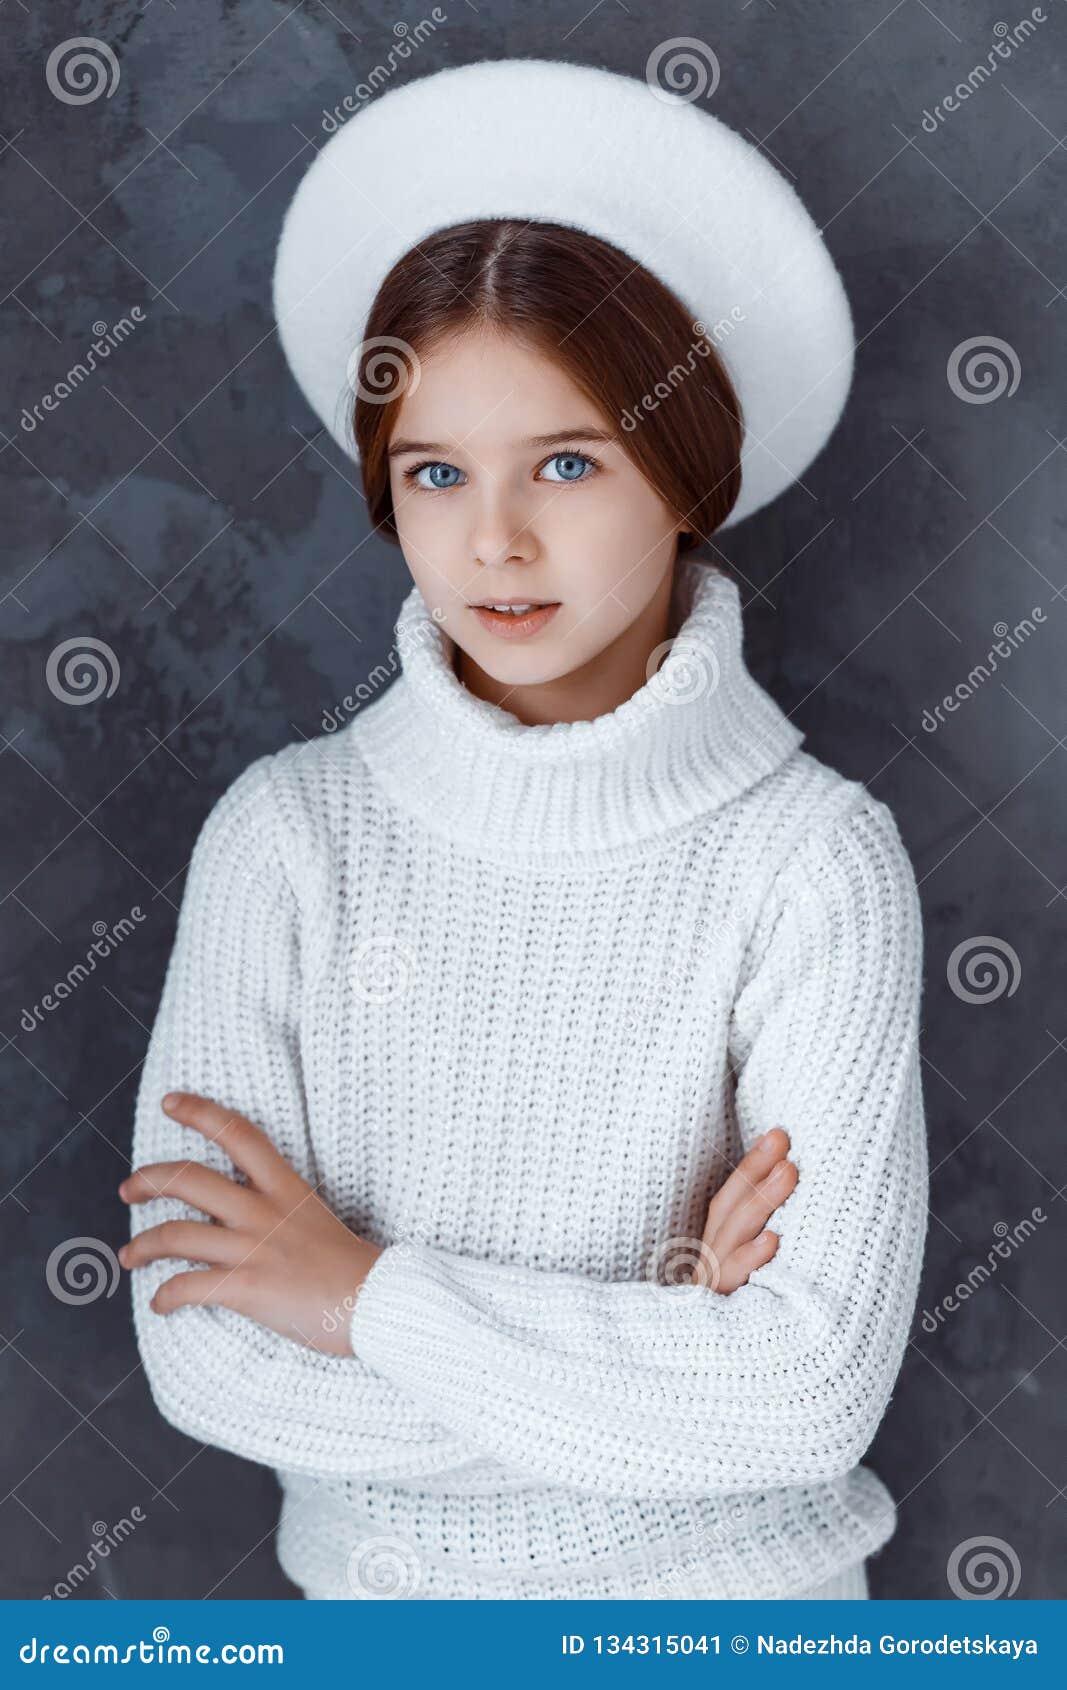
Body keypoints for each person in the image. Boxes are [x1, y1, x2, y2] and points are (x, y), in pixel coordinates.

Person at [120, 60, 927, 1602]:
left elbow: (811, 1394)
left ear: (684, 473)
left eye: (566, 461)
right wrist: (670, 1342)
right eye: (435, 473)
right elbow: (209, 1358)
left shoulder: (813, 860)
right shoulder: (285, 841)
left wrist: (358, 1295)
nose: (495, 539)